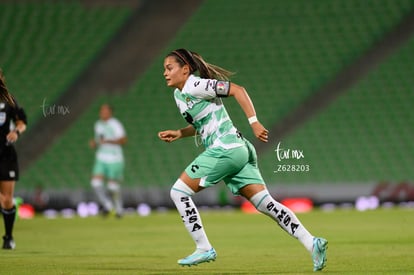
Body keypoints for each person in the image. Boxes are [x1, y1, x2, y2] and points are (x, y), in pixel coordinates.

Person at [158, 49, 328, 271]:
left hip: (226, 148)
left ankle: (203, 247)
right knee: (266, 204)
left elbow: (238, 90)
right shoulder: (180, 95)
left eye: (169, 68)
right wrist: (181, 133)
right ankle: (312, 242)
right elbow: (204, 123)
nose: (165, 73)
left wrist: (254, 122)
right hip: (239, 150)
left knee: (179, 192)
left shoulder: (196, 85)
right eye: (164, 69)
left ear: (185, 69)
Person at [0, 69, 27, 249]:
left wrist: (16, 132)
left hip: (6, 154)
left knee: (6, 200)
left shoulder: (8, 99)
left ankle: (8, 237)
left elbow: (22, 121)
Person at [89, 104, 127, 218]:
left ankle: (119, 209)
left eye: (105, 111)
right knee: (95, 183)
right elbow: (99, 140)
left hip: (114, 158)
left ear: (110, 112)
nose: (103, 113)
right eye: (102, 111)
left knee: (112, 186)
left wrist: (108, 141)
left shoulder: (115, 124)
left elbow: (123, 140)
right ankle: (108, 204)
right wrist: (95, 143)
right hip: (101, 157)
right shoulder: (98, 125)